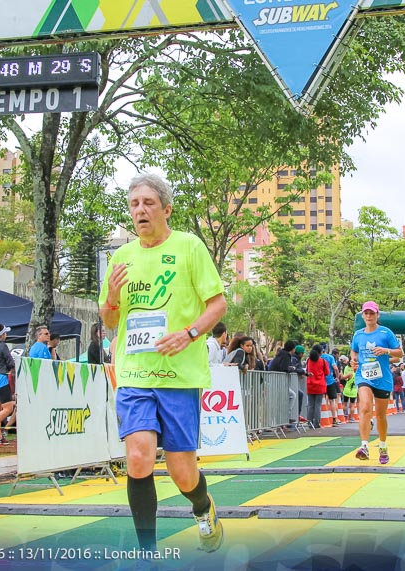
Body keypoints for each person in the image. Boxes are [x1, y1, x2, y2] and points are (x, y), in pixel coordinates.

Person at [98, 172, 226, 554]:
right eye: (135, 204)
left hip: (178, 375)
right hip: (135, 373)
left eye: (148, 203)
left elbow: (217, 305)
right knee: (138, 456)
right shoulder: (121, 257)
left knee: (182, 472)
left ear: (166, 209)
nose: (140, 210)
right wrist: (112, 299)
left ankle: (203, 509)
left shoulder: (189, 247)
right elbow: (108, 321)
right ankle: (147, 552)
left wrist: (188, 333)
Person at [350, 301, 402, 465]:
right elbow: (354, 350)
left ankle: (383, 446)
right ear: (362, 315)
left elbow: (399, 354)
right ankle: (364, 446)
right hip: (363, 376)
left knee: (380, 415)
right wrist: (353, 360)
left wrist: (386, 351)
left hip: (383, 378)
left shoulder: (386, 333)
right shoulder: (358, 334)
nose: (369, 316)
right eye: (366, 313)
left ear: (377, 315)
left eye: (372, 313)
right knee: (365, 406)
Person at [305, 345, 329, 428]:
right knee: (318, 405)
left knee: (310, 405)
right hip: (320, 385)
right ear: (319, 352)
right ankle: (317, 423)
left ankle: (309, 423)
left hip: (310, 384)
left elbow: (307, 370)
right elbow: (327, 372)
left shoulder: (308, 360)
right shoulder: (322, 361)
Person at [320, 345, 342, 425]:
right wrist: (337, 377)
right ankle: (334, 419)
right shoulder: (330, 357)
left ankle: (322, 418)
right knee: (332, 400)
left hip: (321, 381)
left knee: (322, 399)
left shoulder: (318, 357)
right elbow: (335, 368)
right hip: (330, 381)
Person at [339, 355, 356, 422]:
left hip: (347, 389)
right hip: (354, 390)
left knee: (345, 403)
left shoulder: (350, 373)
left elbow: (342, 377)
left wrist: (341, 371)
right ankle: (351, 418)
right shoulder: (358, 374)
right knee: (352, 405)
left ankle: (344, 416)